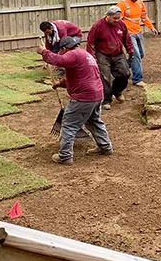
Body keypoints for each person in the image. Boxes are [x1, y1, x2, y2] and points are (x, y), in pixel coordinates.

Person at [36, 36, 113, 166]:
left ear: (65, 48)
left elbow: (57, 60)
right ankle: (105, 147)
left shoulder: (73, 54)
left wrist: (44, 52)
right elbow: (81, 77)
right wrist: (60, 84)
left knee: (69, 124)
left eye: (62, 50)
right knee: (94, 121)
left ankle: (65, 156)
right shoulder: (85, 55)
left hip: (83, 97)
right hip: (97, 95)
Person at [87, 6, 134, 110]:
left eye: (118, 18)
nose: (117, 20)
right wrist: (91, 57)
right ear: (107, 16)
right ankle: (106, 100)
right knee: (105, 77)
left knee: (125, 73)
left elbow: (127, 38)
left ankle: (117, 91)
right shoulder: (98, 26)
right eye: (114, 18)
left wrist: (130, 51)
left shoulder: (121, 24)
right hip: (103, 55)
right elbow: (91, 42)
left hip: (118, 53)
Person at [117, 0, 159, 86]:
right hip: (129, 35)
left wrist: (152, 28)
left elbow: (144, 18)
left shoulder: (140, 3)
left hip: (138, 32)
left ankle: (121, 67)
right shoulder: (122, 4)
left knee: (141, 54)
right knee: (136, 55)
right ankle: (137, 79)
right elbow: (117, 21)